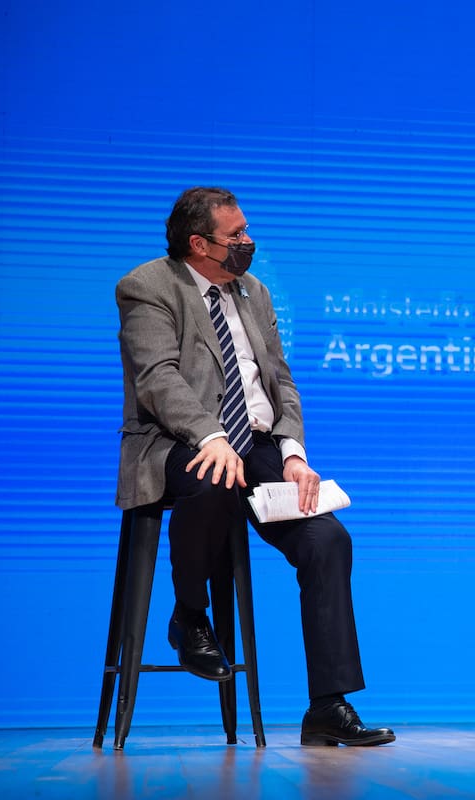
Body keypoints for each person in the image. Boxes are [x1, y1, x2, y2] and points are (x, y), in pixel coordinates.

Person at [115, 187, 394, 747]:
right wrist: (210, 436)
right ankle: (191, 616)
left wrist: (292, 453)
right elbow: (158, 379)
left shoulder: (254, 293)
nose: (248, 242)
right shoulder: (147, 287)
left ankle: (328, 705)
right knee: (214, 479)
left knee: (327, 539)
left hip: (260, 448)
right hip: (175, 444)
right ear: (199, 243)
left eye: (246, 231)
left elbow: (281, 382)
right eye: (235, 235)